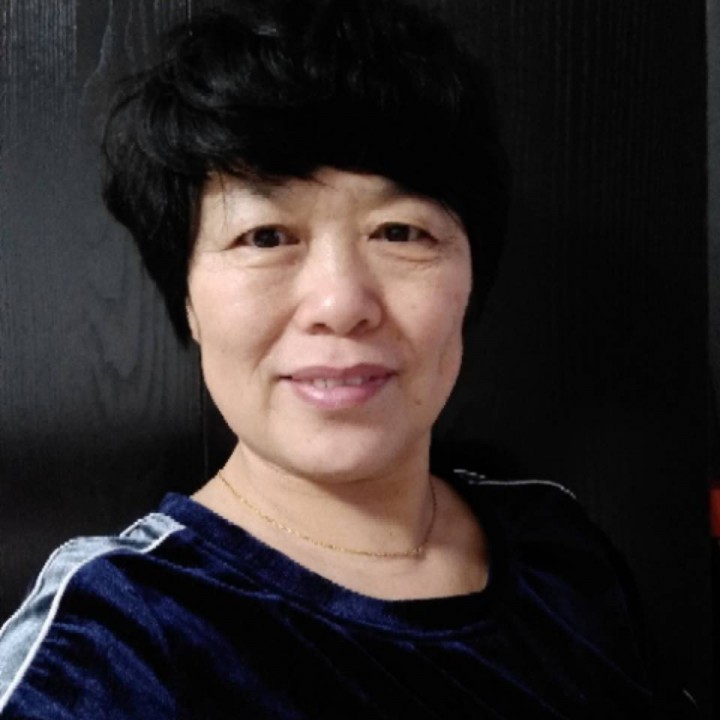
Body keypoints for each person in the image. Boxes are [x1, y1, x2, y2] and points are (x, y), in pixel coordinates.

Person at [0, 1, 696, 717]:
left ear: (471, 279)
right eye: (266, 237)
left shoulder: (556, 542)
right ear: (187, 298)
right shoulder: (112, 640)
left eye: (400, 232)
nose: (340, 303)